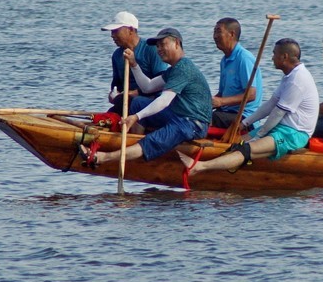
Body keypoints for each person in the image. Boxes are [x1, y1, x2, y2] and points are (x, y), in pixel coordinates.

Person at [185, 39, 318, 174]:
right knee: (236, 145)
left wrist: (259, 135)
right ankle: (219, 170)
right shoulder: (289, 76)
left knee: (244, 149)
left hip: (293, 134)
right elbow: (270, 104)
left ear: (284, 57)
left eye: (274, 54)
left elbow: (278, 113)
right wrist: (244, 123)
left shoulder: (298, 80)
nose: (272, 58)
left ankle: (198, 167)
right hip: (281, 127)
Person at [85, 27, 212, 167]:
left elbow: (164, 101)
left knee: (154, 136)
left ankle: (104, 157)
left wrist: (136, 117)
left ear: (176, 43)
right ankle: (132, 146)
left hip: (193, 124)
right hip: (178, 114)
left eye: (163, 44)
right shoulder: (174, 69)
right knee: (138, 103)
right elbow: (148, 87)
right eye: (157, 46)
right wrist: (134, 64)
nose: (159, 50)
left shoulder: (184, 68)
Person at [102, 10, 168, 115]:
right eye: (112, 32)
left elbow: (163, 82)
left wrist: (135, 93)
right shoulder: (116, 55)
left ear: (131, 30)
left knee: (132, 102)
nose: (112, 35)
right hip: (124, 102)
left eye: (116, 31)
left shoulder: (151, 50)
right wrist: (113, 94)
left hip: (150, 102)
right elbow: (116, 84)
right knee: (107, 117)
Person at [209, 18, 263, 130]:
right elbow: (222, 94)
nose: (215, 36)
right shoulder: (224, 60)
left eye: (218, 31)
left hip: (245, 118)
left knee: (210, 118)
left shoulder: (244, 58)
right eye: (214, 32)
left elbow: (251, 95)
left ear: (232, 34)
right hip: (226, 112)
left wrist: (221, 102)